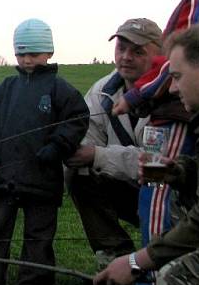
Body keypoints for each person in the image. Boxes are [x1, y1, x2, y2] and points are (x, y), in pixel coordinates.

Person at [105, 0, 199, 285]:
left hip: (173, 117)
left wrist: (135, 97)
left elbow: (179, 61)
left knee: (157, 196)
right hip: (176, 113)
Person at [95, 24, 199, 285]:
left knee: (177, 280)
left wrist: (136, 262)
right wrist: (180, 171)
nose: (171, 89)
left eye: (176, 76)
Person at [0, 19, 89, 285]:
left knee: (39, 234)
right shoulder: (5, 88)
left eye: (33, 54)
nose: (27, 60)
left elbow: (77, 119)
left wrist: (58, 146)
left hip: (42, 176)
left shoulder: (61, 89)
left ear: (49, 53)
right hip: (2, 176)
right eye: (21, 55)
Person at [66, 18, 162, 268]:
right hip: (127, 186)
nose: (126, 57)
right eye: (121, 48)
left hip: (169, 192)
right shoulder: (102, 91)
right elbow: (87, 139)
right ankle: (114, 255)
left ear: (160, 54)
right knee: (78, 174)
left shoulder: (170, 92)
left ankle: (160, 261)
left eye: (137, 51)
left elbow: (158, 163)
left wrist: (98, 155)